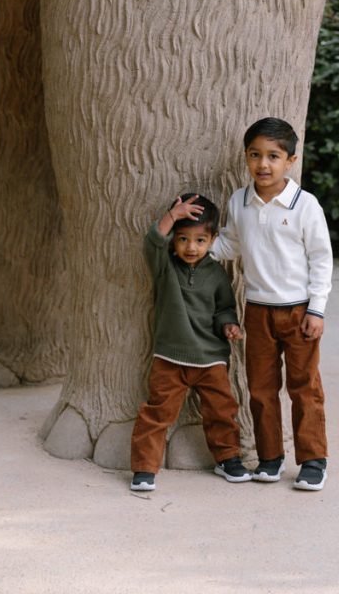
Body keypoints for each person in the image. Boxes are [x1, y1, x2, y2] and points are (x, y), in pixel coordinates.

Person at [212, 117, 333, 491]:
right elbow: (230, 245)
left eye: (273, 156)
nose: (263, 164)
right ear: (246, 158)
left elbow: (321, 258)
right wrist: (195, 251)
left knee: (304, 386)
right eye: (255, 155)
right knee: (261, 388)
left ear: (290, 161)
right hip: (258, 310)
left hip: (299, 312)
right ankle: (270, 458)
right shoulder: (239, 201)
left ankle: (313, 459)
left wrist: (317, 308)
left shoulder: (305, 205)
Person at [130, 193, 251, 492]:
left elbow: (224, 308)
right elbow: (153, 241)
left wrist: (229, 326)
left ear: (212, 240)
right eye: (183, 239)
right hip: (170, 358)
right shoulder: (165, 267)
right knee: (156, 413)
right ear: (174, 240)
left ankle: (227, 459)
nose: (191, 247)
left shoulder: (217, 274)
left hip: (210, 359)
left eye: (200, 240)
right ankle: (145, 468)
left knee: (221, 411)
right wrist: (173, 215)